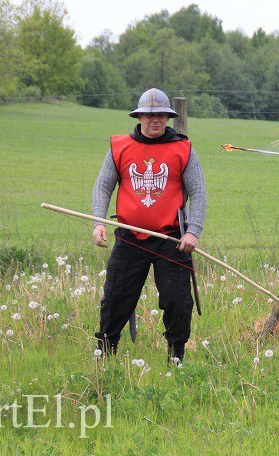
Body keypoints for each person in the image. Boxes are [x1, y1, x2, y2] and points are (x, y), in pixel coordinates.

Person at [91, 88, 207, 362]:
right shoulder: (120, 147)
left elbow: (199, 192)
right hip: (130, 239)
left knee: (178, 301)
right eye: (149, 115)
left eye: (161, 116)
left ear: (168, 118)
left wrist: (194, 231)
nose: (155, 120)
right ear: (139, 116)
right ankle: (106, 353)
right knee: (116, 297)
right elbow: (103, 186)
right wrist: (98, 222)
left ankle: (176, 356)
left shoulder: (183, 149)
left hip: (172, 240)